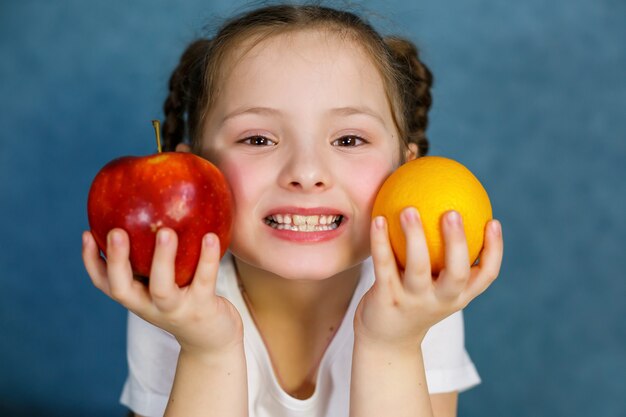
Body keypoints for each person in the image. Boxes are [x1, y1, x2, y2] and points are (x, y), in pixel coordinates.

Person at [82, 4, 503, 417]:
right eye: (258, 140)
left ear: (405, 168)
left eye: (349, 140)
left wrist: (391, 344)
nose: (306, 172)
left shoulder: (420, 294)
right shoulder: (176, 296)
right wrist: (207, 351)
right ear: (195, 172)